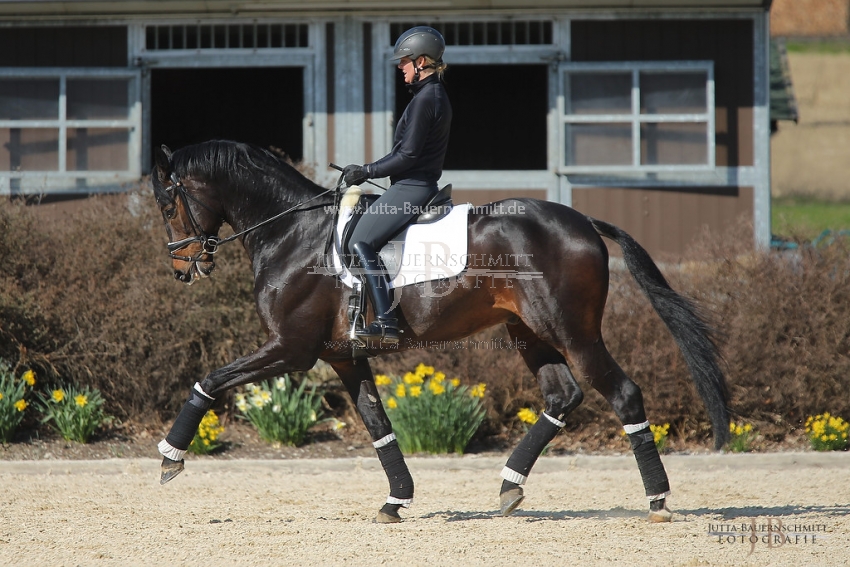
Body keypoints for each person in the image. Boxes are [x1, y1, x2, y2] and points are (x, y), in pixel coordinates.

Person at [342, 26, 452, 344]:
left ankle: (386, 321)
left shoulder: (426, 100)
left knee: (358, 242)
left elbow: (407, 156)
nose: (399, 66)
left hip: (412, 186)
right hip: (412, 184)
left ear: (420, 62)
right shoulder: (431, 96)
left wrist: (366, 170)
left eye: (403, 61)